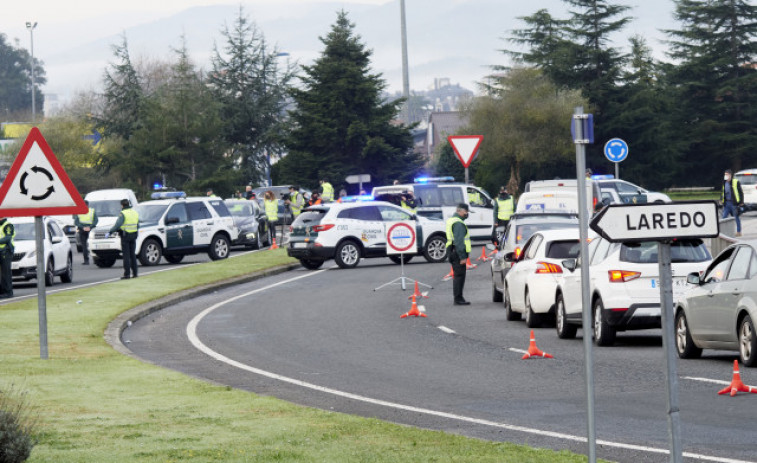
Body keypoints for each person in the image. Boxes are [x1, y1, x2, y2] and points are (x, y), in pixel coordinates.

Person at [446, 204, 471, 306]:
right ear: (460, 211)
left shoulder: (452, 220)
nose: (467, 214)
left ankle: (458, 297)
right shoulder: (458, 223)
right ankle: (458, 298)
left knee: (457, 275)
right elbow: (459, 241)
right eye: (466, 212)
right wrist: (462, 256)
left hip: (452, 250)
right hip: (457, 252)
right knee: (459, 276)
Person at [109, 199, 139, 279]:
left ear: (122, 205)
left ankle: (127, 274)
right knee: (132, 255)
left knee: (126, 256)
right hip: (133, 235)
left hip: (125, 236)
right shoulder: (134, 212)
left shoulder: (123, 213)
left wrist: (110, 232)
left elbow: (118, 225)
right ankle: (135, 273)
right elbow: (137, 224)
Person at [73, 200, 99, 265]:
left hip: (82, 230)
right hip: (90, 230)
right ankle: (96, 260)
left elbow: (76, 222)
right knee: (92, 245)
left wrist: (82, 227)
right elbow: (96, 220)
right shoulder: (92, 210)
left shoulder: (79, 211)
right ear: (88, 205)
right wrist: (90, 227)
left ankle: (86, 261)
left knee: (84, 246)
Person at [722, 169, 745, 237]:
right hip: (727, 203)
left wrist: (741, 202)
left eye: (727, 175)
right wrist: (722, 200)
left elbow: (740, 192)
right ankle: (723, 232)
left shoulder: (735, 182)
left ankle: (738, 232)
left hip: (734, 203)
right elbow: (723, 193)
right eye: (725, 175)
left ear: (730, 175)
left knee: (736, 217)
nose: (725, 176)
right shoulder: (724, 183)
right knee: (723, 218)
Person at [0, 217, 15, 298]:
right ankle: (1, 291)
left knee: (6, 272)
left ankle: (8, 292)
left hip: (6, 251)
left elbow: (8, 237)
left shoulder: (7, 225)